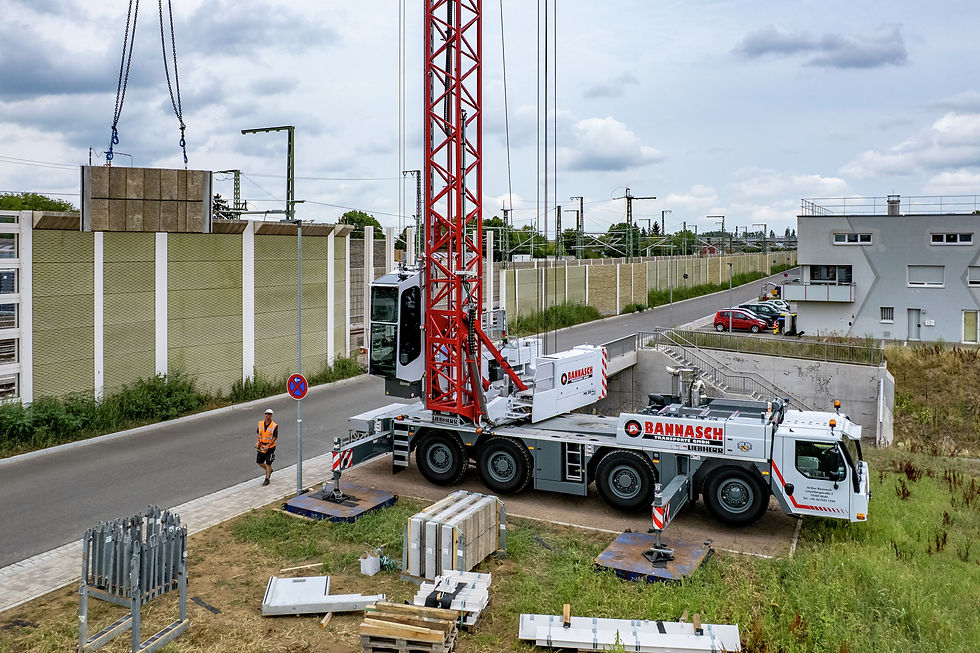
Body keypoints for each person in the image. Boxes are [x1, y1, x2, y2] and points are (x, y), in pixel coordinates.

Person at [256, 408, 278, 486]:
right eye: (266, 414)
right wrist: (258, 442)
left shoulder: (274, 425)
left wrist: (268, 445)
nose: (267, 415)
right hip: (262, 446)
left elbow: (275, 437)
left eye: (269, 414)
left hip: (270, 447)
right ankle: (269, 470)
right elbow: (259, 434)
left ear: (271, 415)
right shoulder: (260, 424)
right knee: (259, 461)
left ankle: (267, 478)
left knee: (268, 462)